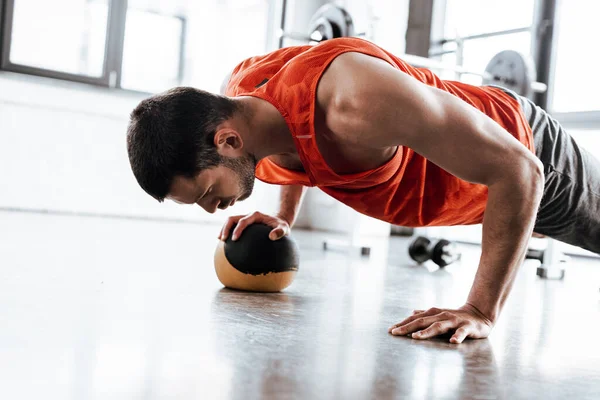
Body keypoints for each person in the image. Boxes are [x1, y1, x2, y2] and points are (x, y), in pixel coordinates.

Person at [126, 37, 600, 344]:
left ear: (227, 141)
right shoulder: (243, 99)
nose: (214, 209)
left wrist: (479, 309)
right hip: (487, 188)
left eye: (209, 192)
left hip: (529, 154)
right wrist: (284, 217)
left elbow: (520, 170)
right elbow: (294, 144)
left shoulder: (353, 103)